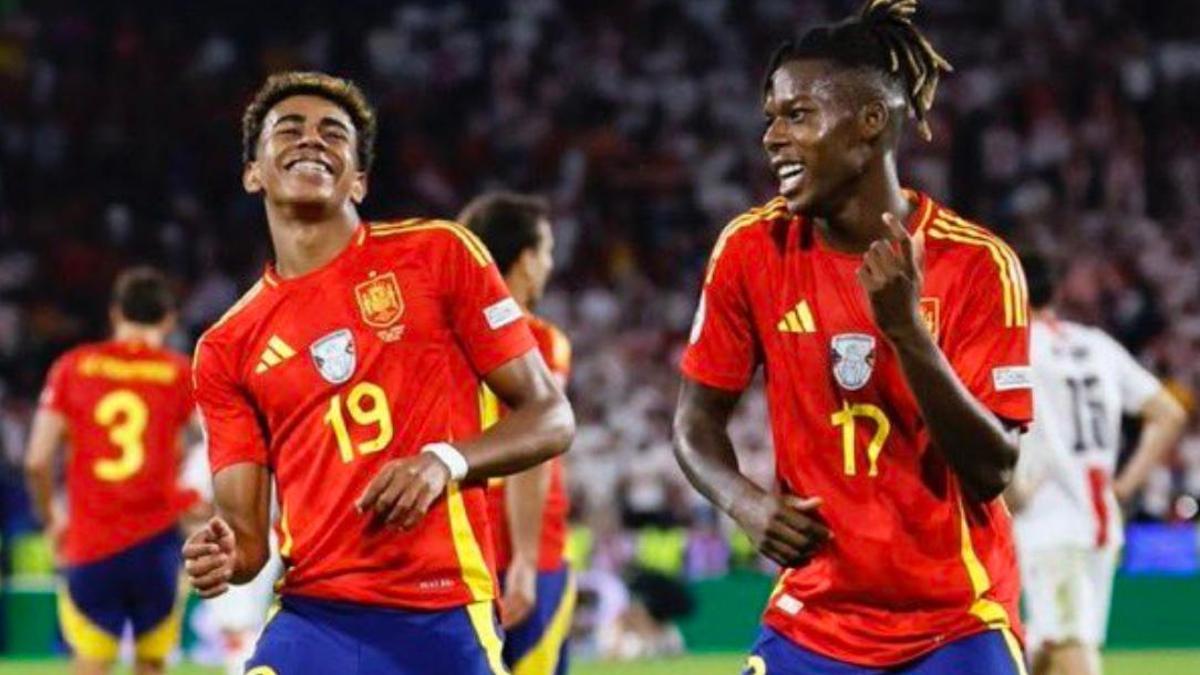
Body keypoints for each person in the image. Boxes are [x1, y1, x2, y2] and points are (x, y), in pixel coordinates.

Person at [672, 1, 1034, 673]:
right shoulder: (751, 249)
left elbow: (993, 470)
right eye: (771, 118)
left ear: (869, 124)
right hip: (813, 619)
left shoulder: (978, 263)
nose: (772, 138)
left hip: (955, 620)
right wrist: (743, 500)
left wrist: (906, 331)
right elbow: (695, 419)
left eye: (797, 114)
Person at [181, 71, 574, 675]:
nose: (311, 140)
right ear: (253, 172)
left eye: (333, 133)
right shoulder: (226, 347)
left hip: (443, 610)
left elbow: (551, 416)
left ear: (358, 180)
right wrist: (224, 554)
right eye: (289, 129)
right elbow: (247, 539)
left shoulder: (439, 255)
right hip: (317, 615)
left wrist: (446, 460)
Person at [1008, 254, 1186, 675]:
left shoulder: (1015, 347)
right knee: (1050, 642)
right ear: (1058, 291)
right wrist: (1124, 487)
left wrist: (1012, 491)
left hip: (1050, 517)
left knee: (1070, 645)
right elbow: (1169, 414)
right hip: (1098, 515)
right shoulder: (1096, 344)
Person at [25, 267, 201, 675]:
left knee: (89, 661)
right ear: (169, 319)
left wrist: (52, 519)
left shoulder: (73, 366)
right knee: (152, 663)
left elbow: (36, 459)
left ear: (115, 313)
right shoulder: (179, 373)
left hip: (91, 541)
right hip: (156, 543)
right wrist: (197, 502)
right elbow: (217, 443)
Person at [461, 191, 575, 675]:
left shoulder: (448, 337)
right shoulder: (537, 339)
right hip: (523, 551)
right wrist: (526, 560)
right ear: (525, 259)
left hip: (457, 547)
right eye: (546, 251)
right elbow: (533, 450)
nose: (548, 265)